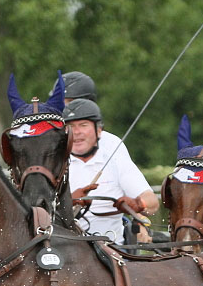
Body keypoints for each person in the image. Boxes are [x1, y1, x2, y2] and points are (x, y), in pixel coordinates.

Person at [63, 98, 158, 243]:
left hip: (113, 251)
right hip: (66, 251)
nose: (76, 132)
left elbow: (152, 203)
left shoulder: (115, 158)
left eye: (83, 125)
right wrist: (67, 202)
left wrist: (138, 204)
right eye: (70, 126)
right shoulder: (54, 162)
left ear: (99, 130)